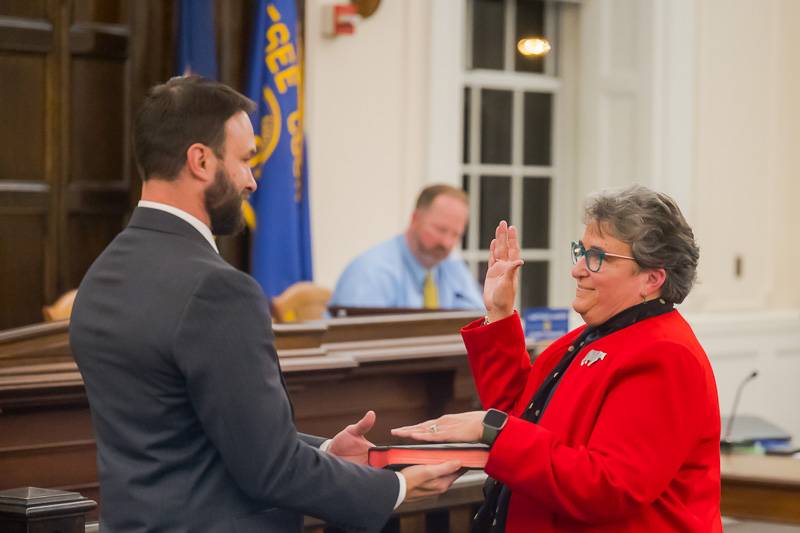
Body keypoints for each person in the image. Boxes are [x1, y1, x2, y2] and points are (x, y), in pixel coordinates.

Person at [69, 76, 461, 533]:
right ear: (200, 160)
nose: (252, 181)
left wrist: (326, 452)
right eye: (244, 160)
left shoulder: (101, 275)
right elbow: (271, 469)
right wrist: (398, 487)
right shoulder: (218, 291)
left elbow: (189, 434)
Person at [392, 186, 722, 532]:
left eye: (598, 257)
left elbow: (607, 487)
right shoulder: (593, 336)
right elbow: (518, 416)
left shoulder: (666, 355)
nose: (578, 269)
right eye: (581, 252)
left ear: (652, 279)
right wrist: (500, 311)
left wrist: (492, 429)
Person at [329, 184, 484, 309]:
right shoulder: (372, 273)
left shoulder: (452, 267)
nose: (447, 243)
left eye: (456, 235)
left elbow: (478, 321)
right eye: (440, 230)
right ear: (415, 219)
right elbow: (360, 341)